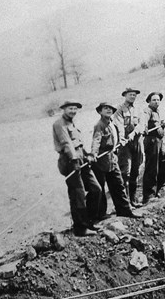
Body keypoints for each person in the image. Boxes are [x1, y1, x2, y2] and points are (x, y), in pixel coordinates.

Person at [52, 100, 101, 236]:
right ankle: (80, 228)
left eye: (75, 109)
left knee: (96, 189)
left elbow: (78, 143)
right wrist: (74, 161)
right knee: (77, 195)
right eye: (70, 109)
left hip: (80, 158)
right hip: (69, 161)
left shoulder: (71, 122)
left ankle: (89, 221)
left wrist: (88, 155)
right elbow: (66, 143)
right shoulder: (59, 124)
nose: (73, 111)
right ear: (64, 109)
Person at [91, 102, 142, 219]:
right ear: (100, 111)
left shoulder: (112, 124)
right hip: (101, 161)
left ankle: (124, 210)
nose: (108, 110)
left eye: (110, 109)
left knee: (118, 186)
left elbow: (116, 137)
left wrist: (121, 141)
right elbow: (96, 140)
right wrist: (93, 153)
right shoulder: (99, 125)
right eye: (105, 108)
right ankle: (100, 215)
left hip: (112, 159)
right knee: (100, 188)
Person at [113, 87, 145, 207]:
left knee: (135, 171)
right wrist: (123, 138)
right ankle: (125, 203)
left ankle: (133, 199)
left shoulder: (138, 108)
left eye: (134, 95)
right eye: (130, 94)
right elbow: (119, 125)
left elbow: (142, 123)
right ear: (125, 95)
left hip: (136, 142)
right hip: (125, 145)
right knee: (125, 172)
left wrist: (134, 133)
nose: (133, 96)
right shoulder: (119, 109)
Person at [141, 92, 165, 203]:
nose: (156, 102)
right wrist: (144, 127)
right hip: (151, 141)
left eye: (158, 100)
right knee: (152, 168)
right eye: (154, 100)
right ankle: (148, 196)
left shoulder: (157, 111)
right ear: (149, 101)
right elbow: (144, 120)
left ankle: (156, 190)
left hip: (160, 141)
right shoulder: (147, 111)